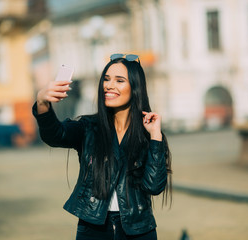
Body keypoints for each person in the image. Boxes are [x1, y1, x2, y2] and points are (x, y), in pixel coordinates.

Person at [32, 54, 172, 240]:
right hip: (92, 229)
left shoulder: (149, 134)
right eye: (106, 79)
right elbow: (55, 135)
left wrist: (155, 136)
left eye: (119, 80)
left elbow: (154, 186)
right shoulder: (88, 127)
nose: (109, 85)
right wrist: (42, 102)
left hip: (139, 230)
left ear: (135, 87)